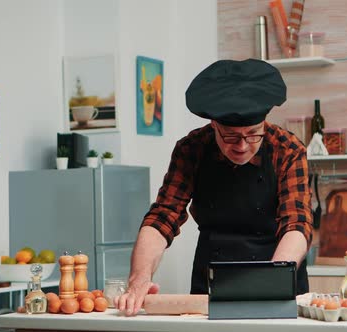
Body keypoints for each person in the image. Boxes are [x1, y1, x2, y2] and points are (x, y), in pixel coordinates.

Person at [115, 58, 313, 316]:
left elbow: (297, 223)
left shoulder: (287, 150)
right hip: (211, 283)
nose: (242, 145)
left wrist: (269, 282)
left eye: (253, 134)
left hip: (277, 274)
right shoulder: (192, 149)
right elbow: (163, 216)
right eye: (230, 136)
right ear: (213, 125)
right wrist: (139, 278)